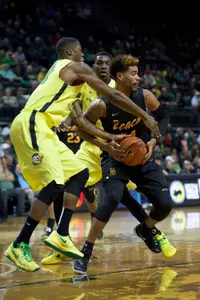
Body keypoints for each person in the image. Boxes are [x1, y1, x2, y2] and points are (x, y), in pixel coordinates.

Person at [4, 38, 160, 272]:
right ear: (69, 52)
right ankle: (19, 244)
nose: (84, 56)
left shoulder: (65, 78)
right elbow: (113, 95)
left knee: (78, 173)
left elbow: (78, 120)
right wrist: (145, 115)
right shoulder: (75, 67)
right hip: (33, 122)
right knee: (54, 184)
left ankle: (62, 234)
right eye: (80, 51)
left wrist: (109, 138)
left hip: (46, 129)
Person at [41, 52, 163, 266]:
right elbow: (77, 117)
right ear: (93, 66)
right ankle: (61, 239)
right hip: (92, 145)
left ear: (113, 70)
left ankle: (150, 230)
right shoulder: (81, 83)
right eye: (99, 63)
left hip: (122, 147)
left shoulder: (123, 84)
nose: (103, 66)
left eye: (107, 63)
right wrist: (64, 121)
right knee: (69, 182)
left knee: (123, 194)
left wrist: (147, 139)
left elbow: (143, 110)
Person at [73, 54, 176, 274]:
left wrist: (152, 141)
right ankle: (86, 251)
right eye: (134, 74)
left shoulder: (145, 96)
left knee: (165, 204)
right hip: (115, 158)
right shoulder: (101, 105)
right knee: (110, 199)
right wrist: (106, 146)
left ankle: (145, 229)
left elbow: (164, 117)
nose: (138, 78)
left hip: (141, 156)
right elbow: (82, 130)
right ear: (119, 76)